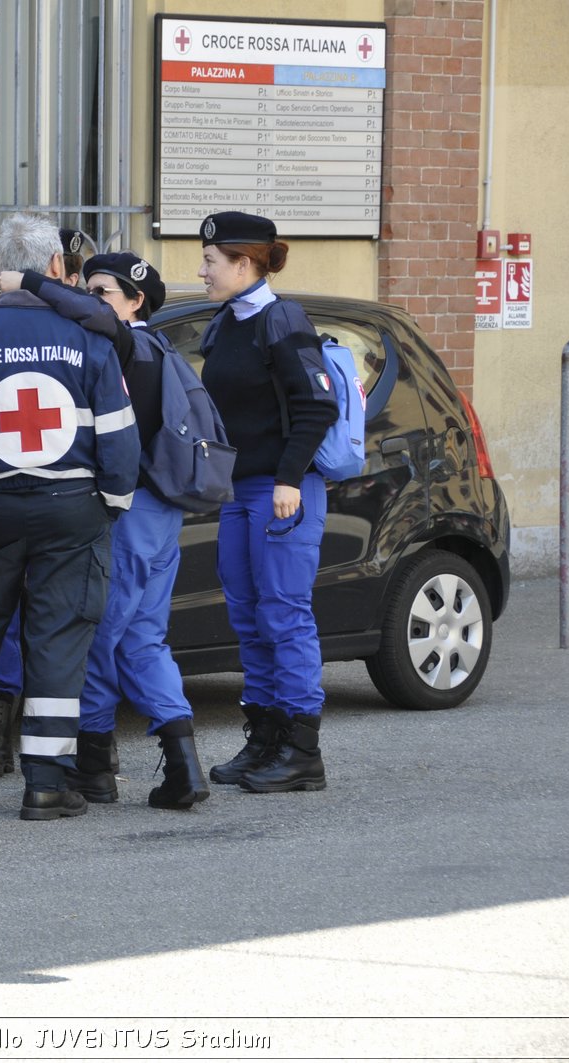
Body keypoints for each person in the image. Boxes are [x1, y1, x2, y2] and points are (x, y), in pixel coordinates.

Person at [0, 212, 139, 821]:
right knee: (59, 642)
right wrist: (111, 504)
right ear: (57, 269)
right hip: (72, 512)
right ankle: (45, 784)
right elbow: (118, 437)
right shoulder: (88, 340)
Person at [0, 251, 210, 809]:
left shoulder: (128, 345)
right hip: (159, 514)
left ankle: (92, 767)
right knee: (142, 640)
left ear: (135, 302)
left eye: (103, 291)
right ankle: (183, 767)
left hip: (131, 510)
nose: (92, 301)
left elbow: (94, 320)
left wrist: (28, 281)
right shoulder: (159, 349)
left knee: (95, 634)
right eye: (88, 289)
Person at [195, 211, 338, 793]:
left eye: (210, 261)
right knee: (248, 618)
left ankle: (303, 753)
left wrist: (287, 478)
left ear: (243, 263)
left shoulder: (282, 319)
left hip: (282, 491)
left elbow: (317, 405)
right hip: (239, 491)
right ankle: (265, 739)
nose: (201, 270)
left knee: (284, 615)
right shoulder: (227, 321)